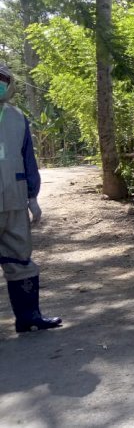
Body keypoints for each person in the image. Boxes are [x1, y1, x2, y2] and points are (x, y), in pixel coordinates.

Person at [0, 64, 62, 333]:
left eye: (3, 79)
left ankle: (29, 317)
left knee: (20, 258)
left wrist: (32, 196)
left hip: (13, 199)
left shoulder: (16, 116)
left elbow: (28, 158)